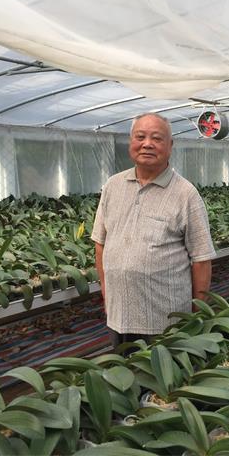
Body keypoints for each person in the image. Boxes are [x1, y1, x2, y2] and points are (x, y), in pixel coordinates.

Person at [91, 113, 215, 350]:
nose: (147, 144)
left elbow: (201, 259)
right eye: (140, 137)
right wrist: (106, 291)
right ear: (131, 142)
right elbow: (100, 243)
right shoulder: (112, 186)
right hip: (118, 315)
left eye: (156, 138)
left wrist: (196, 314)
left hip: (164, 320)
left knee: (163, 372)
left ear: (170, 146)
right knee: (123, 369)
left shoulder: (186, 194)